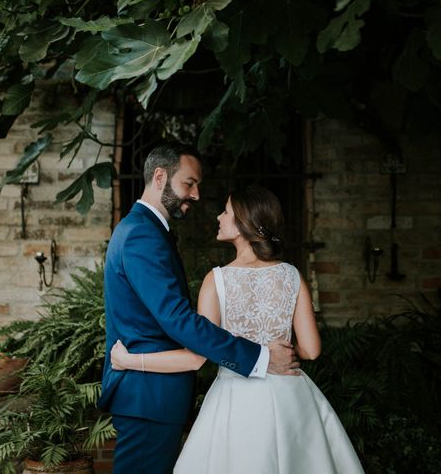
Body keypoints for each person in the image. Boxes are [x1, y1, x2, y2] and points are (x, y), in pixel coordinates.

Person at [111, 185, 365, 474]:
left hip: (235, 398)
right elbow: (311, 350)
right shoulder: (292, 275)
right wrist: (273, 350)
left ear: (245, 223)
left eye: (226, 211)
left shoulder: (217, 280)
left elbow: (196, 357)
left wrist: (130, 360)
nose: (219, 216)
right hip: (290, 396)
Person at [99, 144, 298, 474]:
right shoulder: (141, 236)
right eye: (189, 183)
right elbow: (176, 319)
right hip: (149, 396)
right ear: (160, 177)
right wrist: (260, 356)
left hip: (152, 395)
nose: (196, 194)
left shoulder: (145, 231)